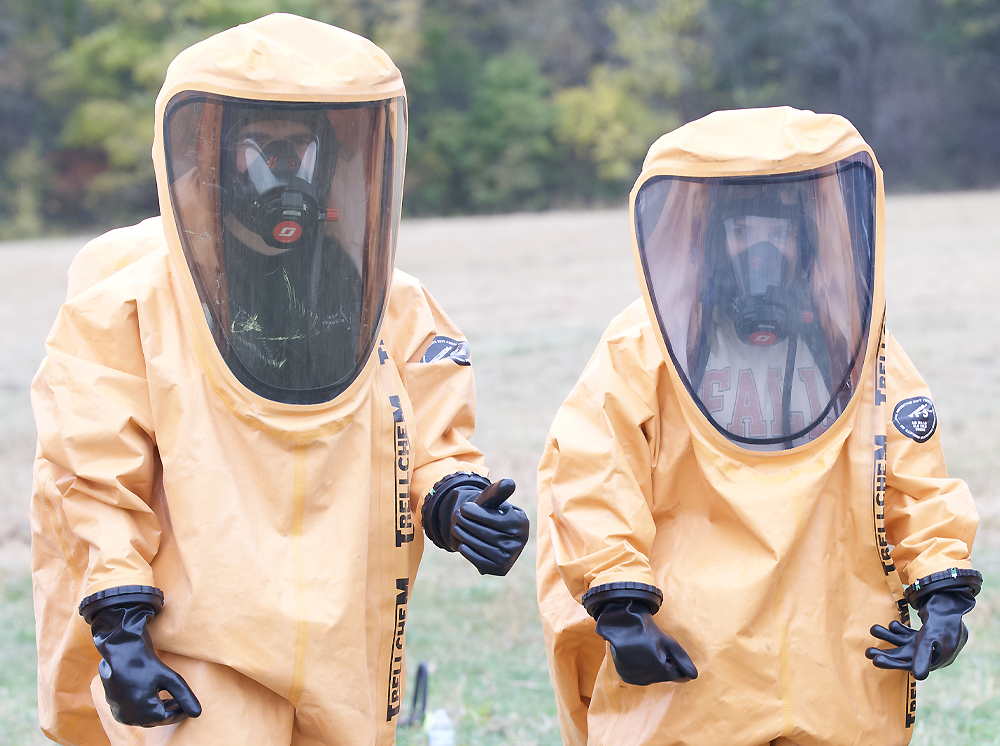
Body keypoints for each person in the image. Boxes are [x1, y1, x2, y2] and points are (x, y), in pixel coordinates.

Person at [30, 14, 528, 745]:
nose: (279, 171)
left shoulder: (388, 301)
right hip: (197, 644)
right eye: (255, 148)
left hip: (344, 643)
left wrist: (457, 505)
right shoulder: (131, 307)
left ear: (333, 154)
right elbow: (96, 478)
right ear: (211, 156)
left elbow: (430, 438)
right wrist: (120, 627)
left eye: (298, 147)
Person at [535, 106, 981, 746]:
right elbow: (593, 474)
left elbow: (910, 475)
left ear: (810, 239)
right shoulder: (647, 346)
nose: (763, 251)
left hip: (832, 658)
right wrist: (621, 607)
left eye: (782, 231)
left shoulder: (854, 346)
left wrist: (942, 595)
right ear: (712, 240)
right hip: (690, 663)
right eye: (744, 228)